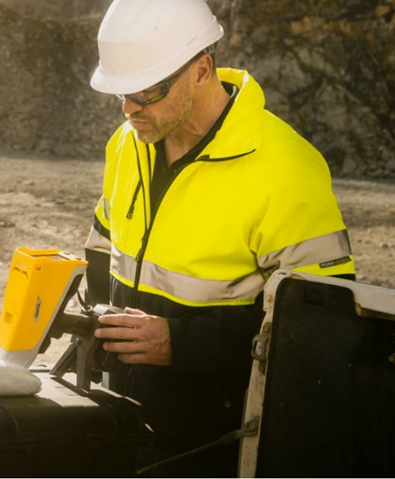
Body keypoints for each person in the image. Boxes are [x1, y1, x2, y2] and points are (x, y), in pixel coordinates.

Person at [84, 0, 356, 476]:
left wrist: (181, 343)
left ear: (202, 70)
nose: (128, 109)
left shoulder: (285, 169)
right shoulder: (128, 143)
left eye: (145, 92)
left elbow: (321, 328)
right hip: (119, 411)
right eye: (120, 94)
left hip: (216, 438)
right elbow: (102, 246)